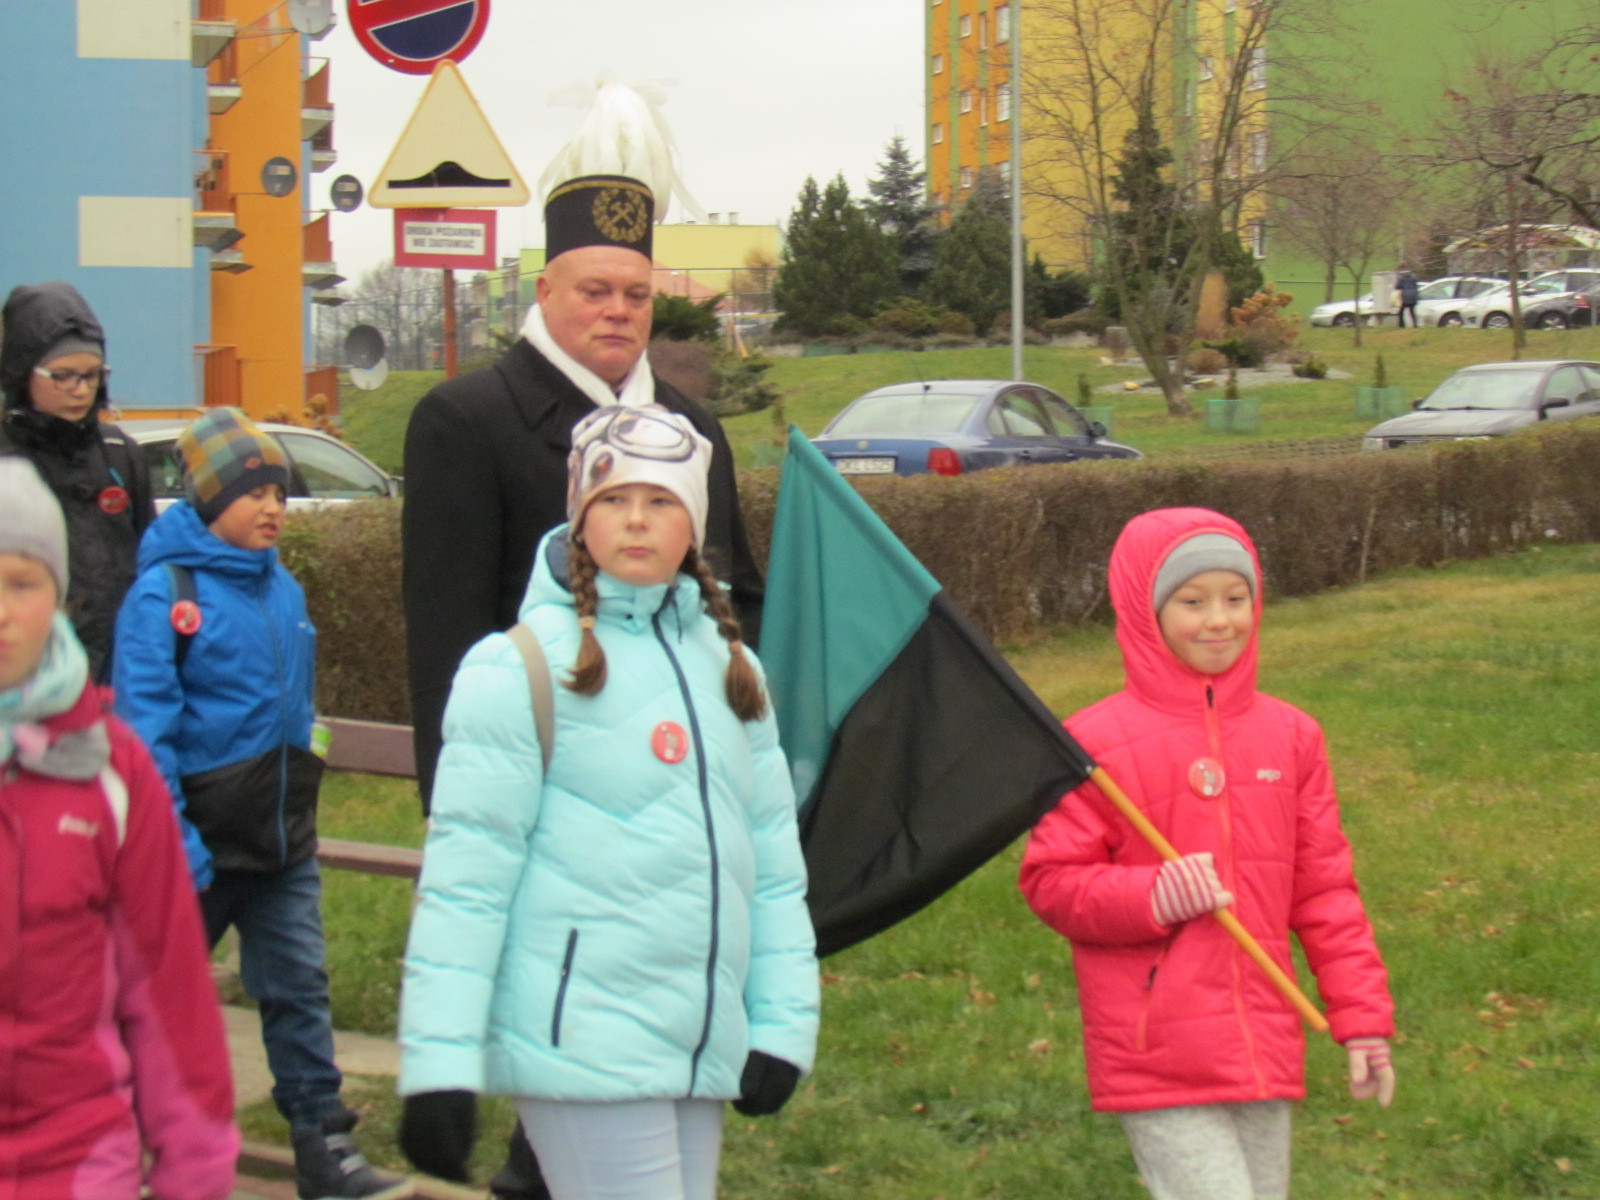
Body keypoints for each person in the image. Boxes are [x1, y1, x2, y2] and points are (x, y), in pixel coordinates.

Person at [395, 405, 818, 1200]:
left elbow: (771, 864)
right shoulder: (514, 669)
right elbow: (466, 881)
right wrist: (439, 1063)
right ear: (579, 518)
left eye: (661, 500)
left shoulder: (732, 669)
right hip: (581, 1039)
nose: (636, 520)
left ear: (694, 524)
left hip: (697, 1035)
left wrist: (782, 1024)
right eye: (613, 499)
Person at [1018, 507, 1395, 1200]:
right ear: (1145, 612)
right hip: (1156, 1050)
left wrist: (1363, 1020)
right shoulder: (1093, 745)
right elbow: (1051, 882)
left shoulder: (1293, 737)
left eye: (1236, 597)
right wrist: (1150, 896)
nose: (1220, 620)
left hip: (1263, 1045)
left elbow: (1326, 891)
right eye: (1192, 602)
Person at [402, 172, 763, 816]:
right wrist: (456, 805)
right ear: (545, 293)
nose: (618, 310)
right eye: (595, 292)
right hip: (544, 781)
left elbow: (736, 602)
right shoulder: (465, 421)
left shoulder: (694, 428)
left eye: (636, 294)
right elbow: (446, 639)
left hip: (686, 784)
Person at [111, 408, 402, 1200]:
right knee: (152, 1003)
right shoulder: (163, 596)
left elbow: (295, 709)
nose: (273, 507)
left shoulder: (283, 589)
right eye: (254, 494)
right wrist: (174, 844)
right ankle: (116, 1143)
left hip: (280, 842)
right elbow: (144, 735)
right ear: (209, 501)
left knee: (298, 989)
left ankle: (324, 1146)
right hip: (193, 849)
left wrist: (303, 775)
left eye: (279, 491)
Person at [0, 458, 238, 1200]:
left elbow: (167, 989)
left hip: (74, 1162)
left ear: (59, 597)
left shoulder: (112, 769)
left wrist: (195, 1168)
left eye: (21, 583)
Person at [0, 281, 154, 682]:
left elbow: (150, 563)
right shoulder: (6, 460)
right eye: (63, 376)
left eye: (92, 375)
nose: (81, 390)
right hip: (25, 683)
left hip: (117, 675)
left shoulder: (120, 456)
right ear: (23, 374)